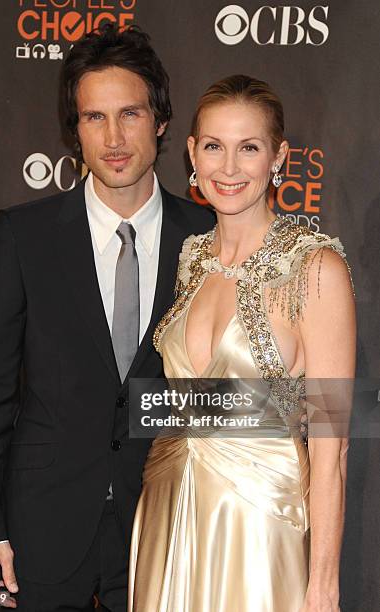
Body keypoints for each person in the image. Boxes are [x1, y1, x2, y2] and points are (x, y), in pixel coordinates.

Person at [0, 25, 214, 611]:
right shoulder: (24, 235)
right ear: (74, 129)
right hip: (38, 527)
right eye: (94, 118)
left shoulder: (208, 239)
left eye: (130, 114)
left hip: (165, 526)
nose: (114, 138)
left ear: (162, 120)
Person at [128, 75, 356, 611]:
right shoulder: (191, 259)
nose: (227, 169)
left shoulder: (315, 268)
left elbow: (333, 446)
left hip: (259, 527)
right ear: (191, 152)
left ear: (278, 158)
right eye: (214, 146)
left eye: (248, 148)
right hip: (167, 516)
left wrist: (322, 586)